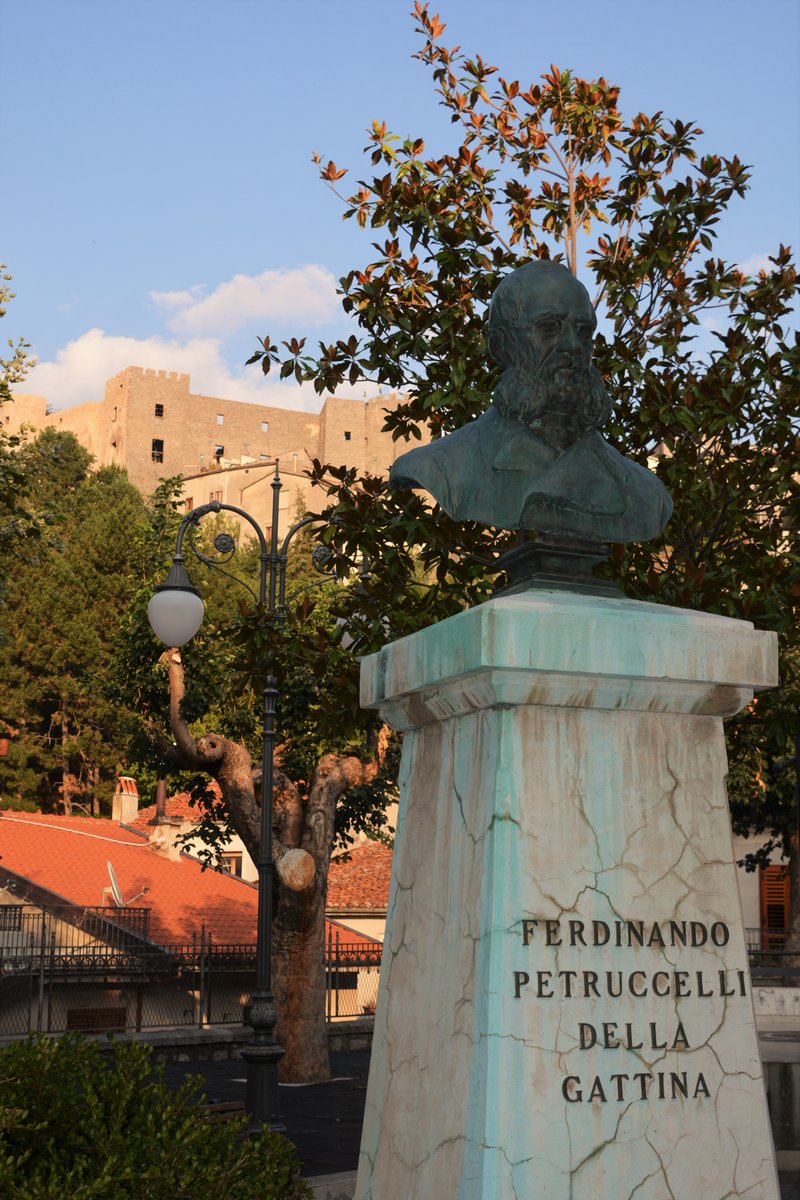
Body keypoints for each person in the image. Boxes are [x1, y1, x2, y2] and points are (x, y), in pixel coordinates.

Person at [389, 260, 672, 544]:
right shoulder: (441, 466)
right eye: (550, 327)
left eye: (583, 331)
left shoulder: (646, 493)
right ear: (501, 346)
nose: (573, 345)